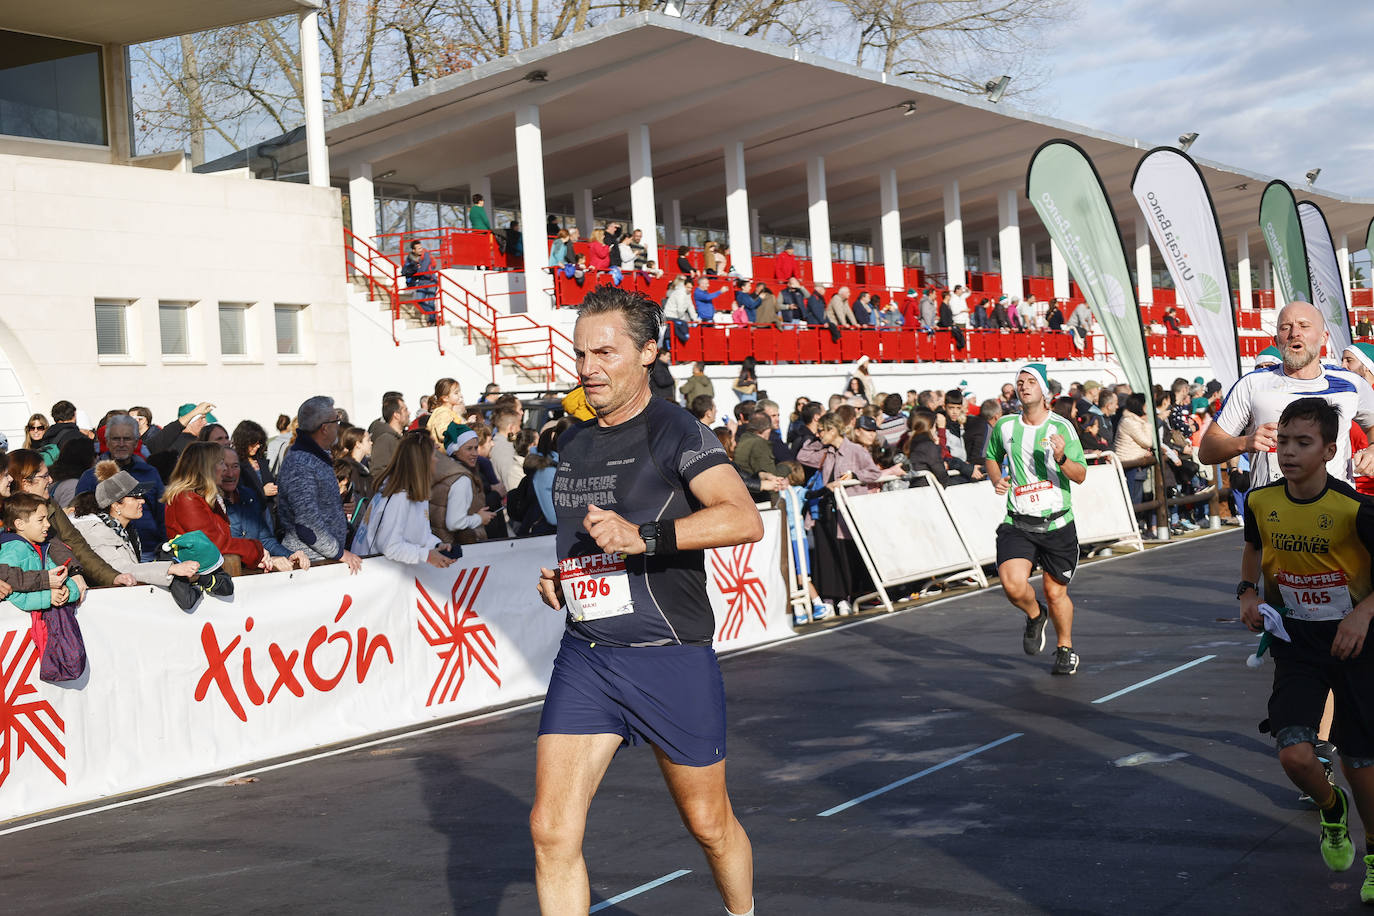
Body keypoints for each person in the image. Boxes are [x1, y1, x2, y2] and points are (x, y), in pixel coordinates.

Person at [531, 286, 761, 916]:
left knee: (709, 824)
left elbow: (743, 518)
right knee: (551, 831)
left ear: (648, 353)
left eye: (605, 353)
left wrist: (645, 538)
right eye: (581, 354)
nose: (588, 368)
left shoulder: (675, 429)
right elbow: (588, 539)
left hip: (668, 656)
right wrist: (566, 578)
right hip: (589, 654)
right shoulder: (574, 439)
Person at [1237, 397, 1374, 903]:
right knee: (1295, 752)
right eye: (1283, 441)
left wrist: (1362, 613)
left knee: (1362, 762)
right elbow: (1253, 546)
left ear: (1329, 450)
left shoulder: (1354, 509)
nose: (1288, 453)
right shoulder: (1261, 502)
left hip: (1355, 645)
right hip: (1296, 645)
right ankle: (1330, 808)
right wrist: (1248, 592)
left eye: (1303, 443)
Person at [1199, 302, 1374, 488]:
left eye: (1304, 325)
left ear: (1324, 338)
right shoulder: (1252, 384)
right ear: (1277, 341)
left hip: (1335, 511)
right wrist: (1245, 442)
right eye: (1285, 327)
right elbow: (1207, 451)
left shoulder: (1351, 384)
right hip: (1271, 512)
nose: (1294, 333)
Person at [983, 363, 1087, 675]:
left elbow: (1080, 475)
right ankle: (1033, 614)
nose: (1024, 386)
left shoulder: (1062, 428)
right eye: (1020, 382)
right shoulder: (1005, 426)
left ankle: (1065, 647)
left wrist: (1061, 458)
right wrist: (996, 479)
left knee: (1056, 592)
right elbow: (991, 456)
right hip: (1019, 522)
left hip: (1057, 524)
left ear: (1044, 391)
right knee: (1013, 586)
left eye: (1031, 382)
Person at [72, 462, 201, 586]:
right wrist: (172, 569)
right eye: (136, 497)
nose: (143, 501)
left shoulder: (125, 530)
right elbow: (121, 570)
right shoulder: (97, 532)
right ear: (116, 505)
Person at [277, 396, 363, 573]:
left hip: (323, 560)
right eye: (336, 421)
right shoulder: (300, 463)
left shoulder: (316, 457)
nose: (339, 426)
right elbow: (307, 524)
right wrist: (340, 553)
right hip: (311, 565)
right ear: (324, 428)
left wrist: (338, 506)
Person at [356, 431, 455, 568]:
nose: (437, 459)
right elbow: (390, 547)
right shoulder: (399, 497)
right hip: (375, 573)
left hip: (394, 575)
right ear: (423, 461)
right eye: (433, 455)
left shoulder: (415, 492)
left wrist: (437, 545)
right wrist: (426, 556)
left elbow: (420, 534)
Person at [163, 442, 267, 573]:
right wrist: (256, 550)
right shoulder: (185, 499)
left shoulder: (208, 498)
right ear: (206, 467)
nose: (225, 469)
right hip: (197, 578)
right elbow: (214, 543)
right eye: (221, 463)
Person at [73, 414, 165, 560]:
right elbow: (80, 518)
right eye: (116, 438)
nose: (121, 444)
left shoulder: (149, 472)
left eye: (127, 438)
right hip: (110, 553)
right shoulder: (91, 476)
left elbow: (161, 514)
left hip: (149, 550)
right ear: (107, 441)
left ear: (136, 442)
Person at [220, 448, 308, 570]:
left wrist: (290, 555)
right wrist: (264, 558)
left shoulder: (249, 496)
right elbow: (226, 547)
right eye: (225, 467)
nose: (230, 474)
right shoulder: (212, 504)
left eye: (235, 466)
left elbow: (265, 540)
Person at [370, 395, 409, 479]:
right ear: (396, 415)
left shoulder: (405, 437)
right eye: (405, 410)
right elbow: (377, 472)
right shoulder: (385, 439)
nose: (409, 413)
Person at [402, 240, 439, 324]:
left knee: (431, 302)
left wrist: (413, 271)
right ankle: (433, 316)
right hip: (421, 282)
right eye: (419, 248)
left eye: (421, 247)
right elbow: (405, 270)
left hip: (431, 281)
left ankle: (432, 319)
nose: (421, 249)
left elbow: (423, 269)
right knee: (419, 301)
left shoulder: (426, 255)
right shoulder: (410, 257)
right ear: (413, 250)